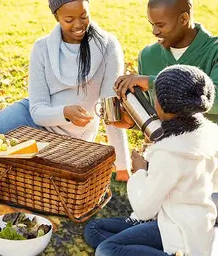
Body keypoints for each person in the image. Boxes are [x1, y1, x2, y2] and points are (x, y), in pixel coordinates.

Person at [0, 0, 130, 180]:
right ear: (56, 17)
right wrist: (64, 112)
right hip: (31, 119)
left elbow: (110, 111)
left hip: (69, 140)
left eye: (84, 15)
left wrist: (123, 167)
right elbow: (37, 110)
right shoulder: (42, 48)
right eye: (69, 19)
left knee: (5, 168)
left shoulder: (108, 46)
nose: (78, 25)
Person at [84, 64, 218, 256]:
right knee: (94, 229)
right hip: (193, 221)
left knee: (107, 249)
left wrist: (140, 171)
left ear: (162, 105)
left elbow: (143, 208)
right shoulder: (210, 134)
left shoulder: (170, 153)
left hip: (176, 228)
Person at [113, 0, 218, 128]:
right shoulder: (148, 55)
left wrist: (153, 83)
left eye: (160, 25)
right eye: (152, 24)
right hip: (167, 146)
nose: (154, 31)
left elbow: (215, 100)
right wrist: (132, 122)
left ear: (184, 19)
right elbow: (156, 117)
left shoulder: (214, 51)